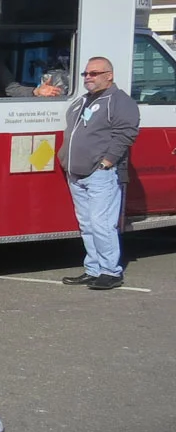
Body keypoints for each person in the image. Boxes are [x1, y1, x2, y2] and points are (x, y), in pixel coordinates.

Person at [61, 56, 141, 290]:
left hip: (101, 174)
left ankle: (111, 271)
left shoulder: (119, 101)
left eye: (94, 73)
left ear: (109, 75)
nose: (88, 77)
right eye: (86, 74)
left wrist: (106, 162)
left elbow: (126, 134)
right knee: (87, 224)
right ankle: (93, 269)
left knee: (102, 223)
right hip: (77, 173)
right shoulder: (83, 100)